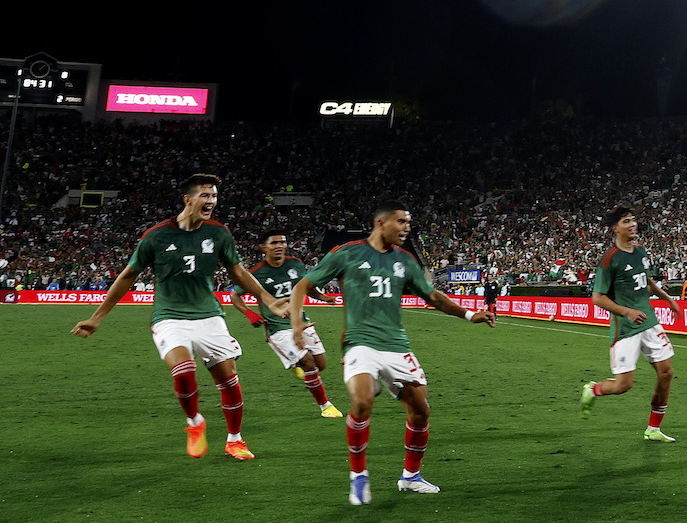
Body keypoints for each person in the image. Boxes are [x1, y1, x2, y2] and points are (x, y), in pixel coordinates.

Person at [70, 173, 289, 461]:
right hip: (169, 316)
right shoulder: (157, 236)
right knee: (184, 370)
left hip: (209, 316)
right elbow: (128, 276)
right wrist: (97, 317)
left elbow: (238, 272)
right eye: (205, 196)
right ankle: (195, 422)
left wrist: (268, 300)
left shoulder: (219, 233)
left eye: (214, 196)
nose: (211, 201)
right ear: (188, 199)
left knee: (229, 380)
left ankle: (235, 440)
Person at [291, 200, 495, 506]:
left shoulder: (405, 260)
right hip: (360, 343)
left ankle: (410, 477)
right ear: (381, 223)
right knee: (362, 402)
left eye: (408, 223)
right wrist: (297, 324)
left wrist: (468, 315)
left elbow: (433, 296)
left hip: (397, 346)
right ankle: (358, 476)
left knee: (421, 411)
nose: (407, 228)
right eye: (401, 222)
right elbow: (302, 286)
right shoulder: (346, 253)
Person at [580, 206, 683, 442]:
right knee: (623, 385)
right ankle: (592, 390)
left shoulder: (641, 252)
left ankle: (653, 429)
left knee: (666, 372)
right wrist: (626, 311)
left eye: (633, 220)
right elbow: (598, 298)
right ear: (615, 228)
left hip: (649, 322)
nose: (633, 224)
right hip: (626, 328)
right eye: (626, 221)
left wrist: (669, 300)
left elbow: (646, 281)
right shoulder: (609, 259)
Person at [230, 230, 343, 417]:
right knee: (308, 363)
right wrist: (248, 313)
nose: (279, 245)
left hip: (301, 321)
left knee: (320, 364)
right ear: (264, 248)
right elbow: (235, 295)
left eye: (282, 242)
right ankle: (325, 407)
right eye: (274, 243)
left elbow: (306, 286)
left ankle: (296, 365)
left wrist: (323, 297)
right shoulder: (256, 273)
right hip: (277, 328)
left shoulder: (296, 264)